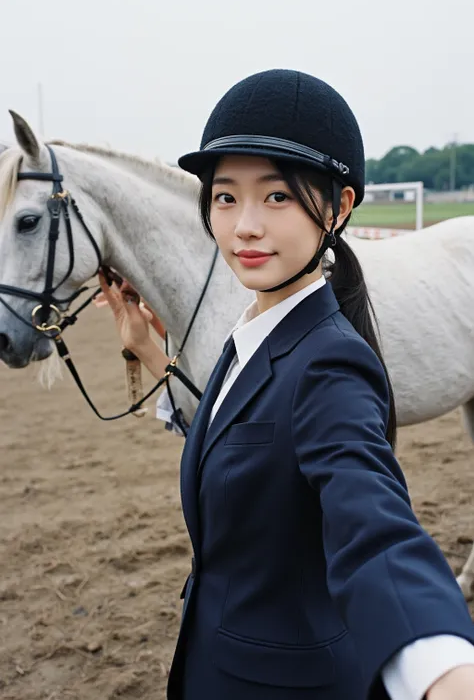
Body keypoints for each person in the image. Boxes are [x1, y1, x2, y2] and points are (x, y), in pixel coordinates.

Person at [100, 69, 474, 699]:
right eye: (225, 197)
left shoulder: (332, 366)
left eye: (277, 197)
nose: (245, 225)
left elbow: (373, 526)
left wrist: (439, 667)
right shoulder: (252, 333)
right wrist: (152, 353)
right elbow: (247, 447)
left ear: (339, 207)